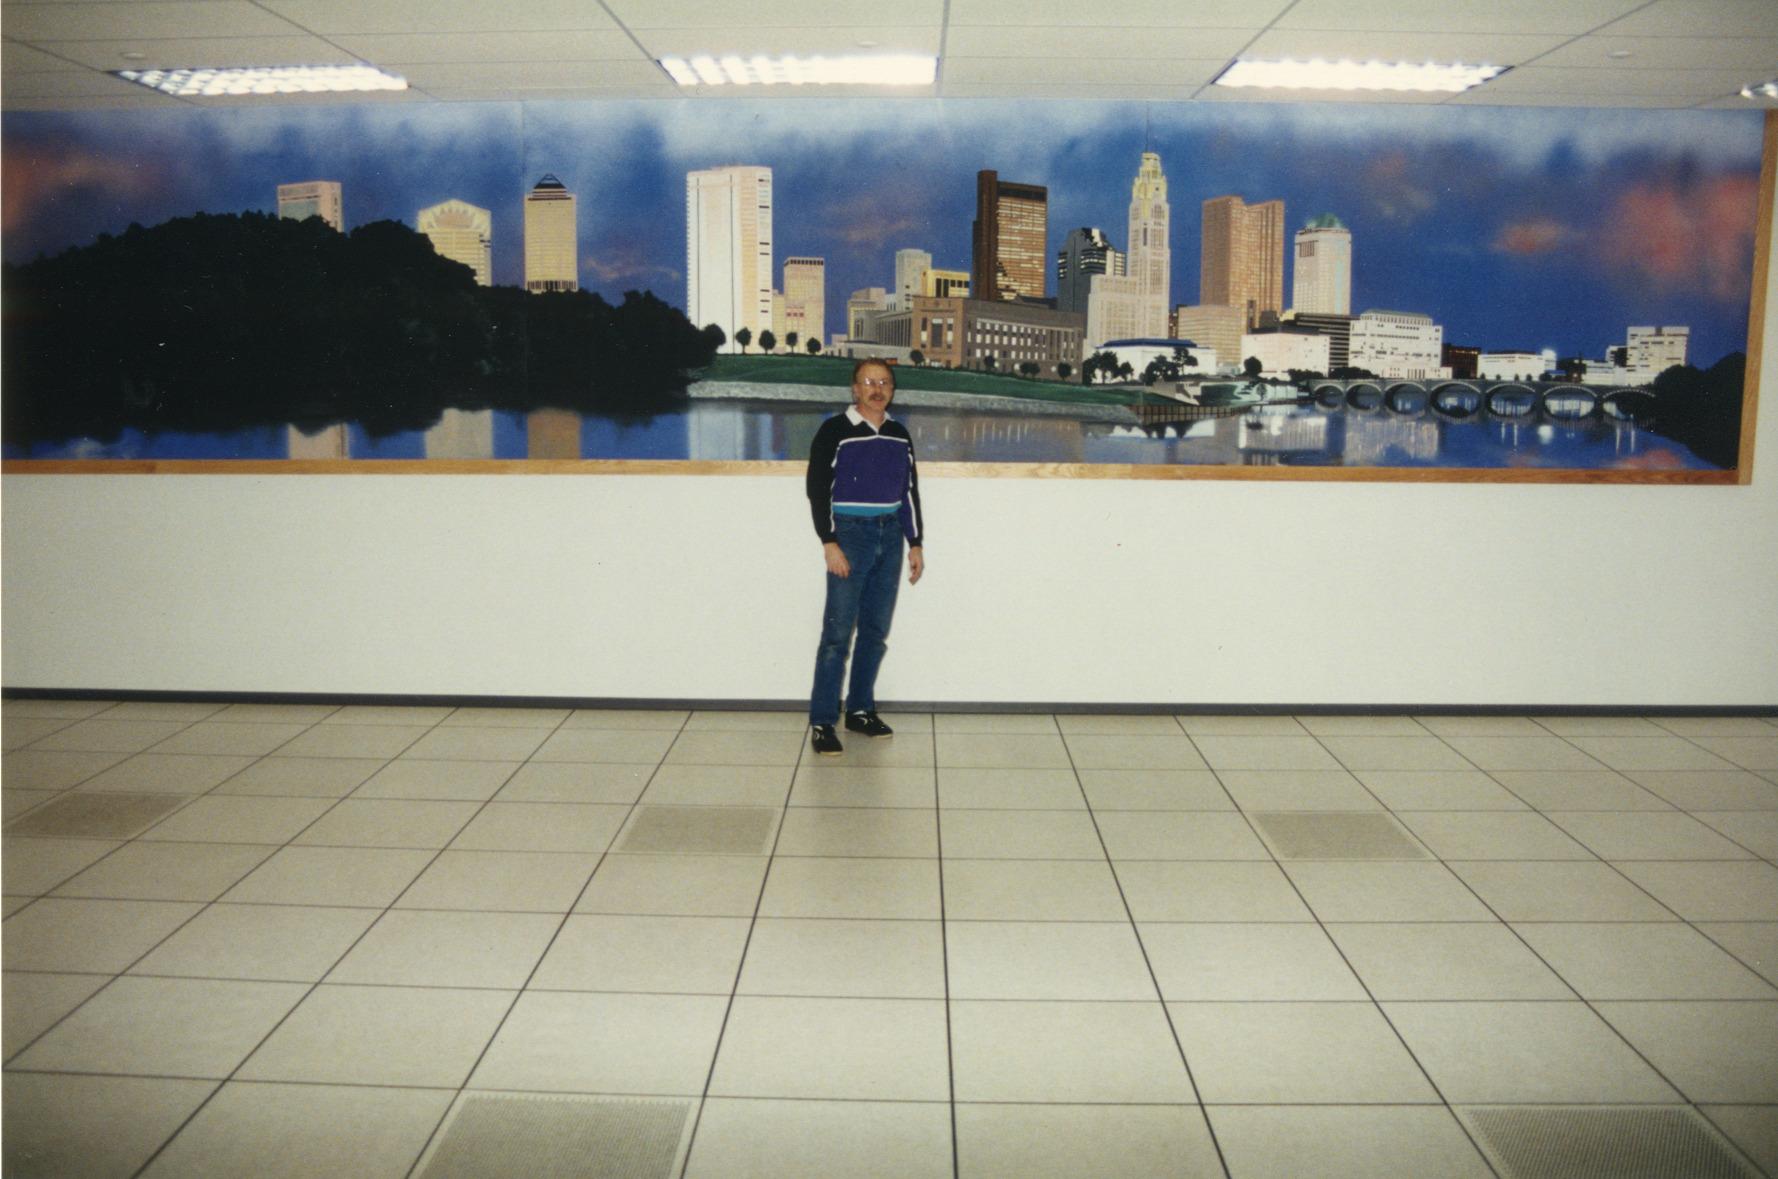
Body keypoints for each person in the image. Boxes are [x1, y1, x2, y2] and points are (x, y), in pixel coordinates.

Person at [805, 358, 925, 755]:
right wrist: (829, 541)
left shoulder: (898, 434)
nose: (878, 388)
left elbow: (909, 492)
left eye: (885, 382)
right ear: (855, 389)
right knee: (837, 636)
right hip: (849, 537)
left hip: (889, 536)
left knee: (875, 631)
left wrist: (915, 542)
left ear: (892, 389)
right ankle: (823, 721)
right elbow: (817, 489)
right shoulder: (834, 431)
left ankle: (859, 710)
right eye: (869, 382)